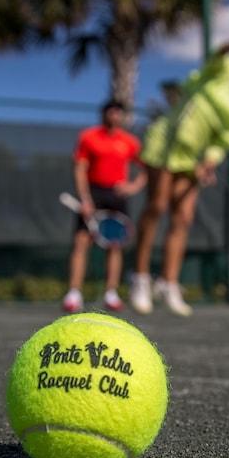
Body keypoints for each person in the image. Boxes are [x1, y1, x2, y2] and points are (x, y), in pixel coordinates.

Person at [130, 36, 229, 316]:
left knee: (183, 218)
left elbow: (223, 140)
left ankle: (169, 283)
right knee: (156, 207)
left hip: (192, 159)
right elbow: (219, 52)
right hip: (167, 143)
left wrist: (209, 162)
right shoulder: (223, 69)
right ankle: (140, 279)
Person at [62, 100, 145, 312]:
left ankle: (111, 293)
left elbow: (146, 169)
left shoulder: (130, 142)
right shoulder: (88, 137)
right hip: (93, 193)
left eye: (119, 112)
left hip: (117, 196)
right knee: (81, 241)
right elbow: (80, 168)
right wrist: (86, 199)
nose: (114, 115)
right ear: (104, 114)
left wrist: (132, 187)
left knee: (115, 245)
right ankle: (73, 294)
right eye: (111, 111)